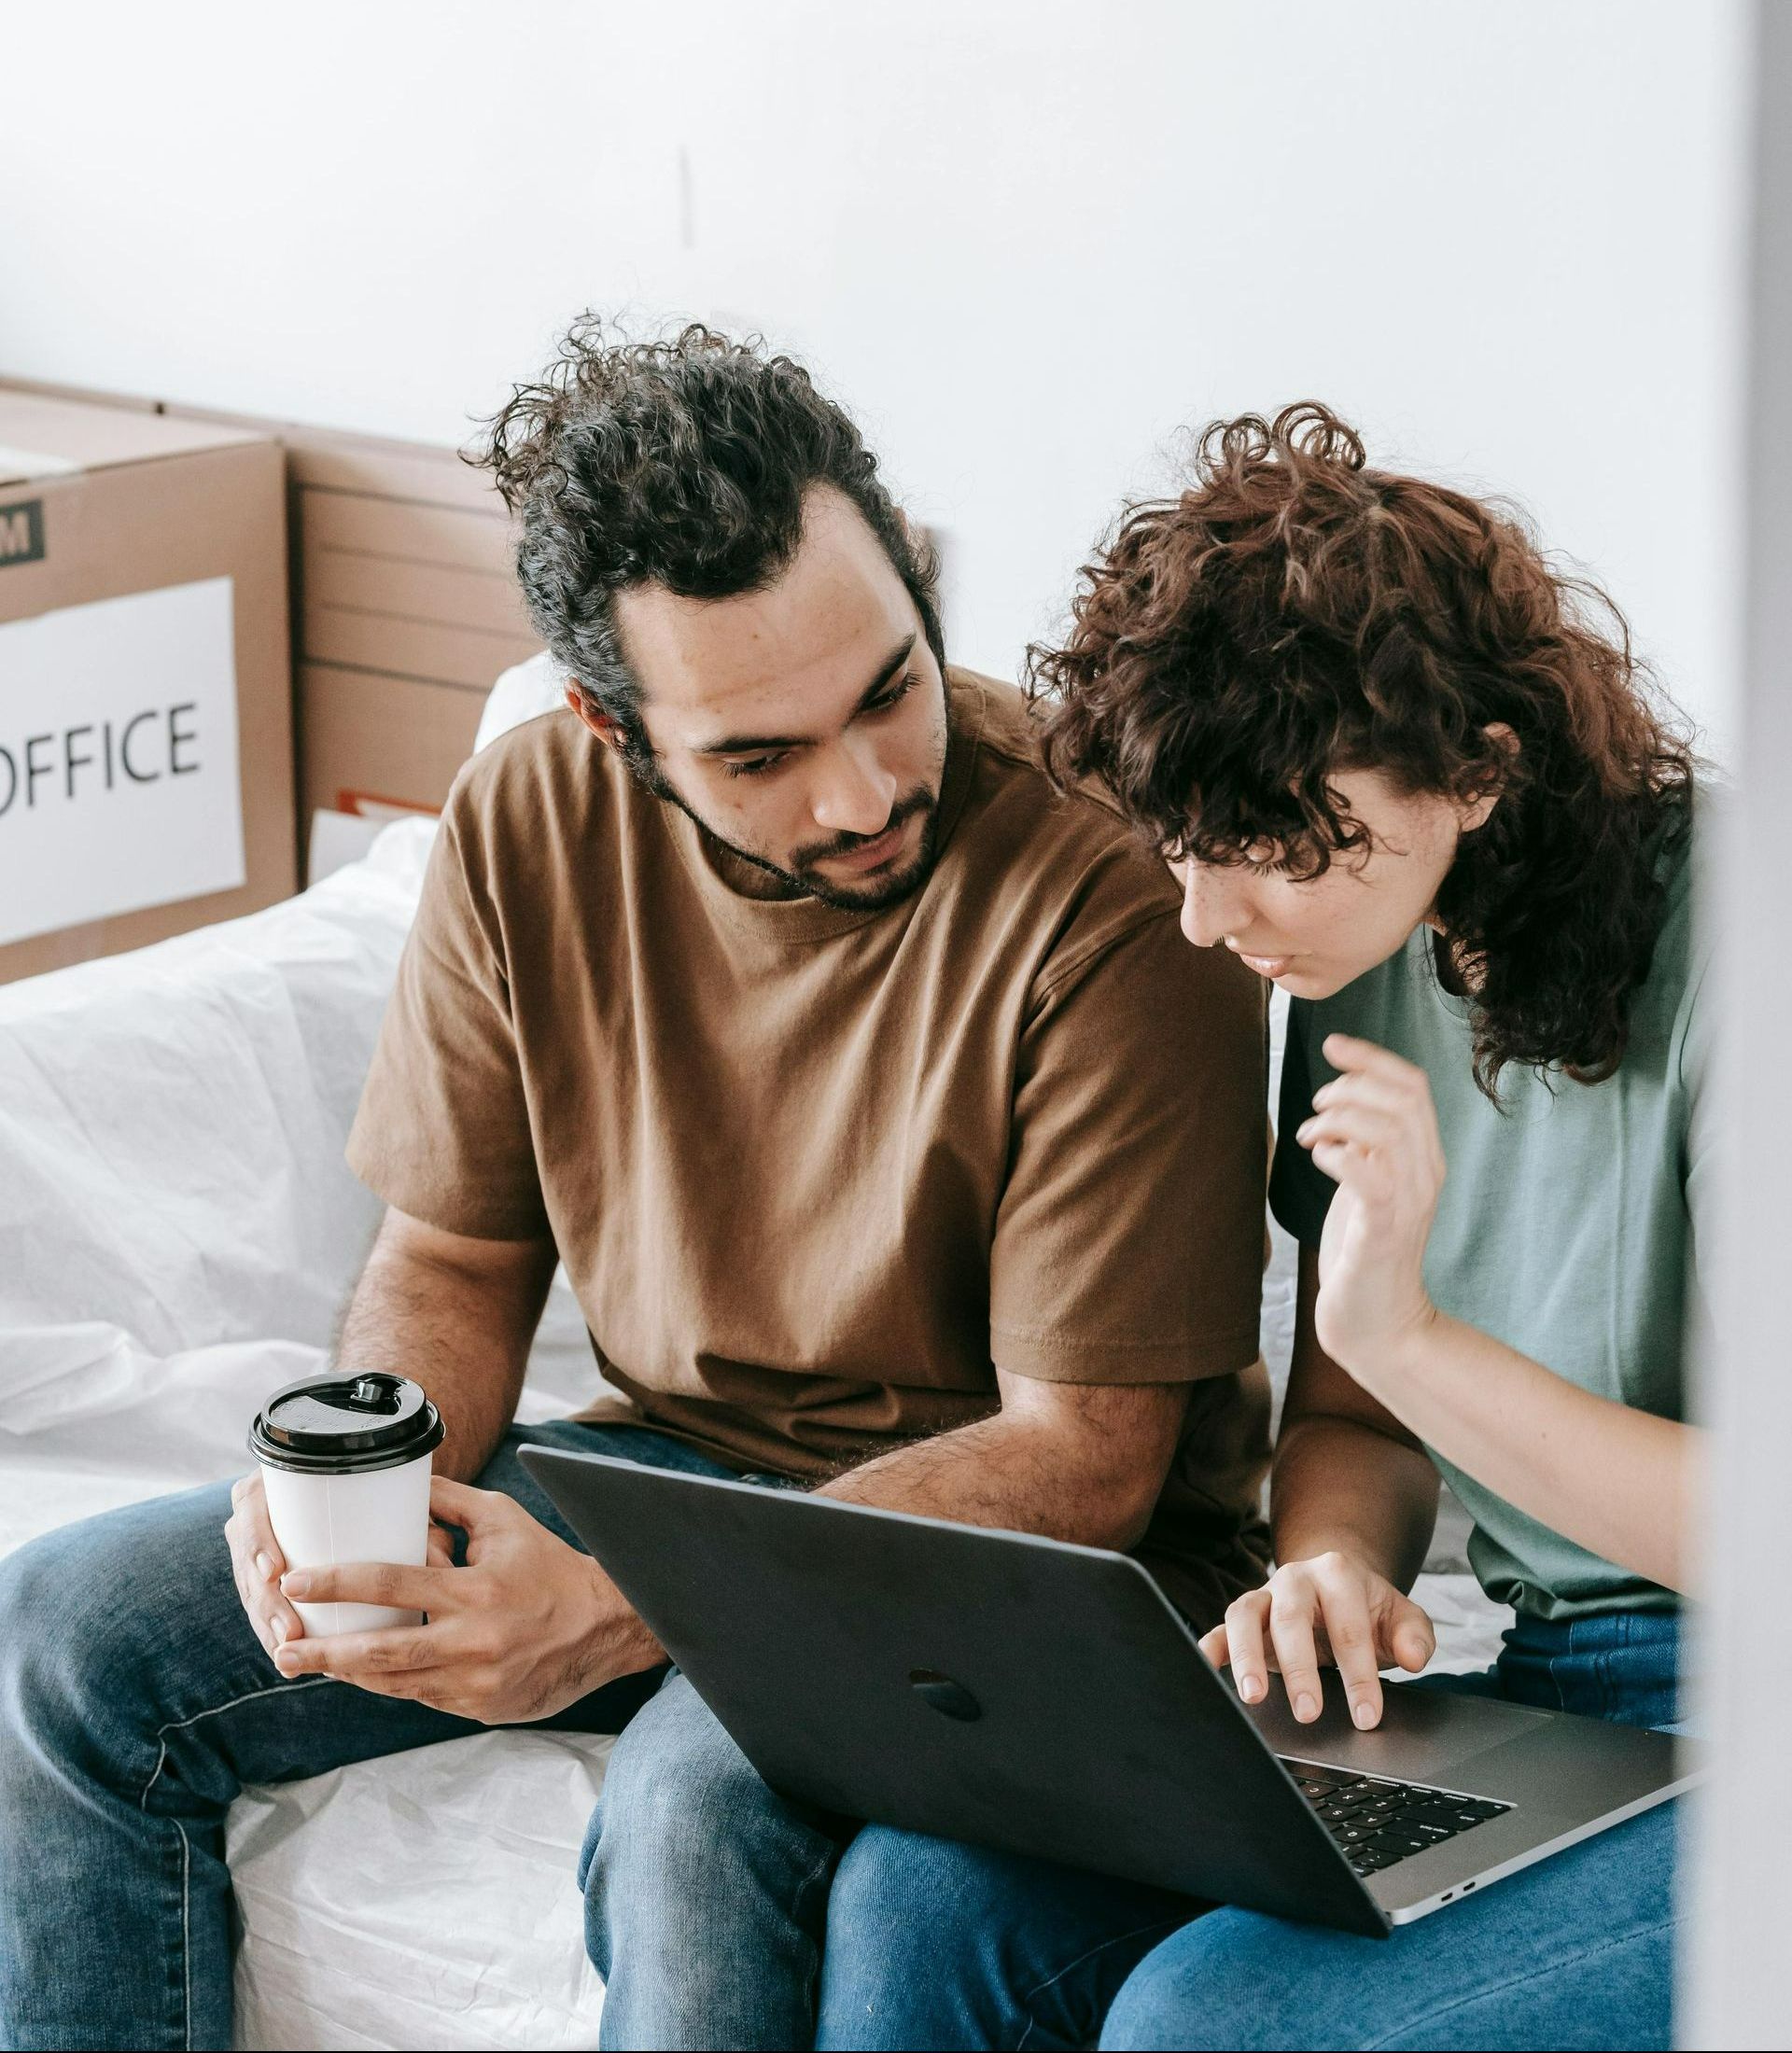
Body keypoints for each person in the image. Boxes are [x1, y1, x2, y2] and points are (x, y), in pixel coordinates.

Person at [0, 323, 1276, 2053]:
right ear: (614, 726)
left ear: (917, 588)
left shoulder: (1110, 883)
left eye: (890, 686)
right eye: (759, 757)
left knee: (695, 1808)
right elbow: (452, 1254)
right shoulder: (526, 813)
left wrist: (626, 1611)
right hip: (678, 1481)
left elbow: (1092, 1463)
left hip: (1023, 1566)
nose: (865, 790)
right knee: (66, 1636)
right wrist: (356, 1491)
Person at [809, 404, 1706, 2052]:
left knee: (1214, 2025)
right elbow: (1361, 1417)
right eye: (1182, 848)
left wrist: (1405, 1336)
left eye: (1269, 852)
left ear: (1482, 774)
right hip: (1555, 1700)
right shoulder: (1375, 940)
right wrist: (1331, 1572)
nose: (1206, 921)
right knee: (925, 1894)